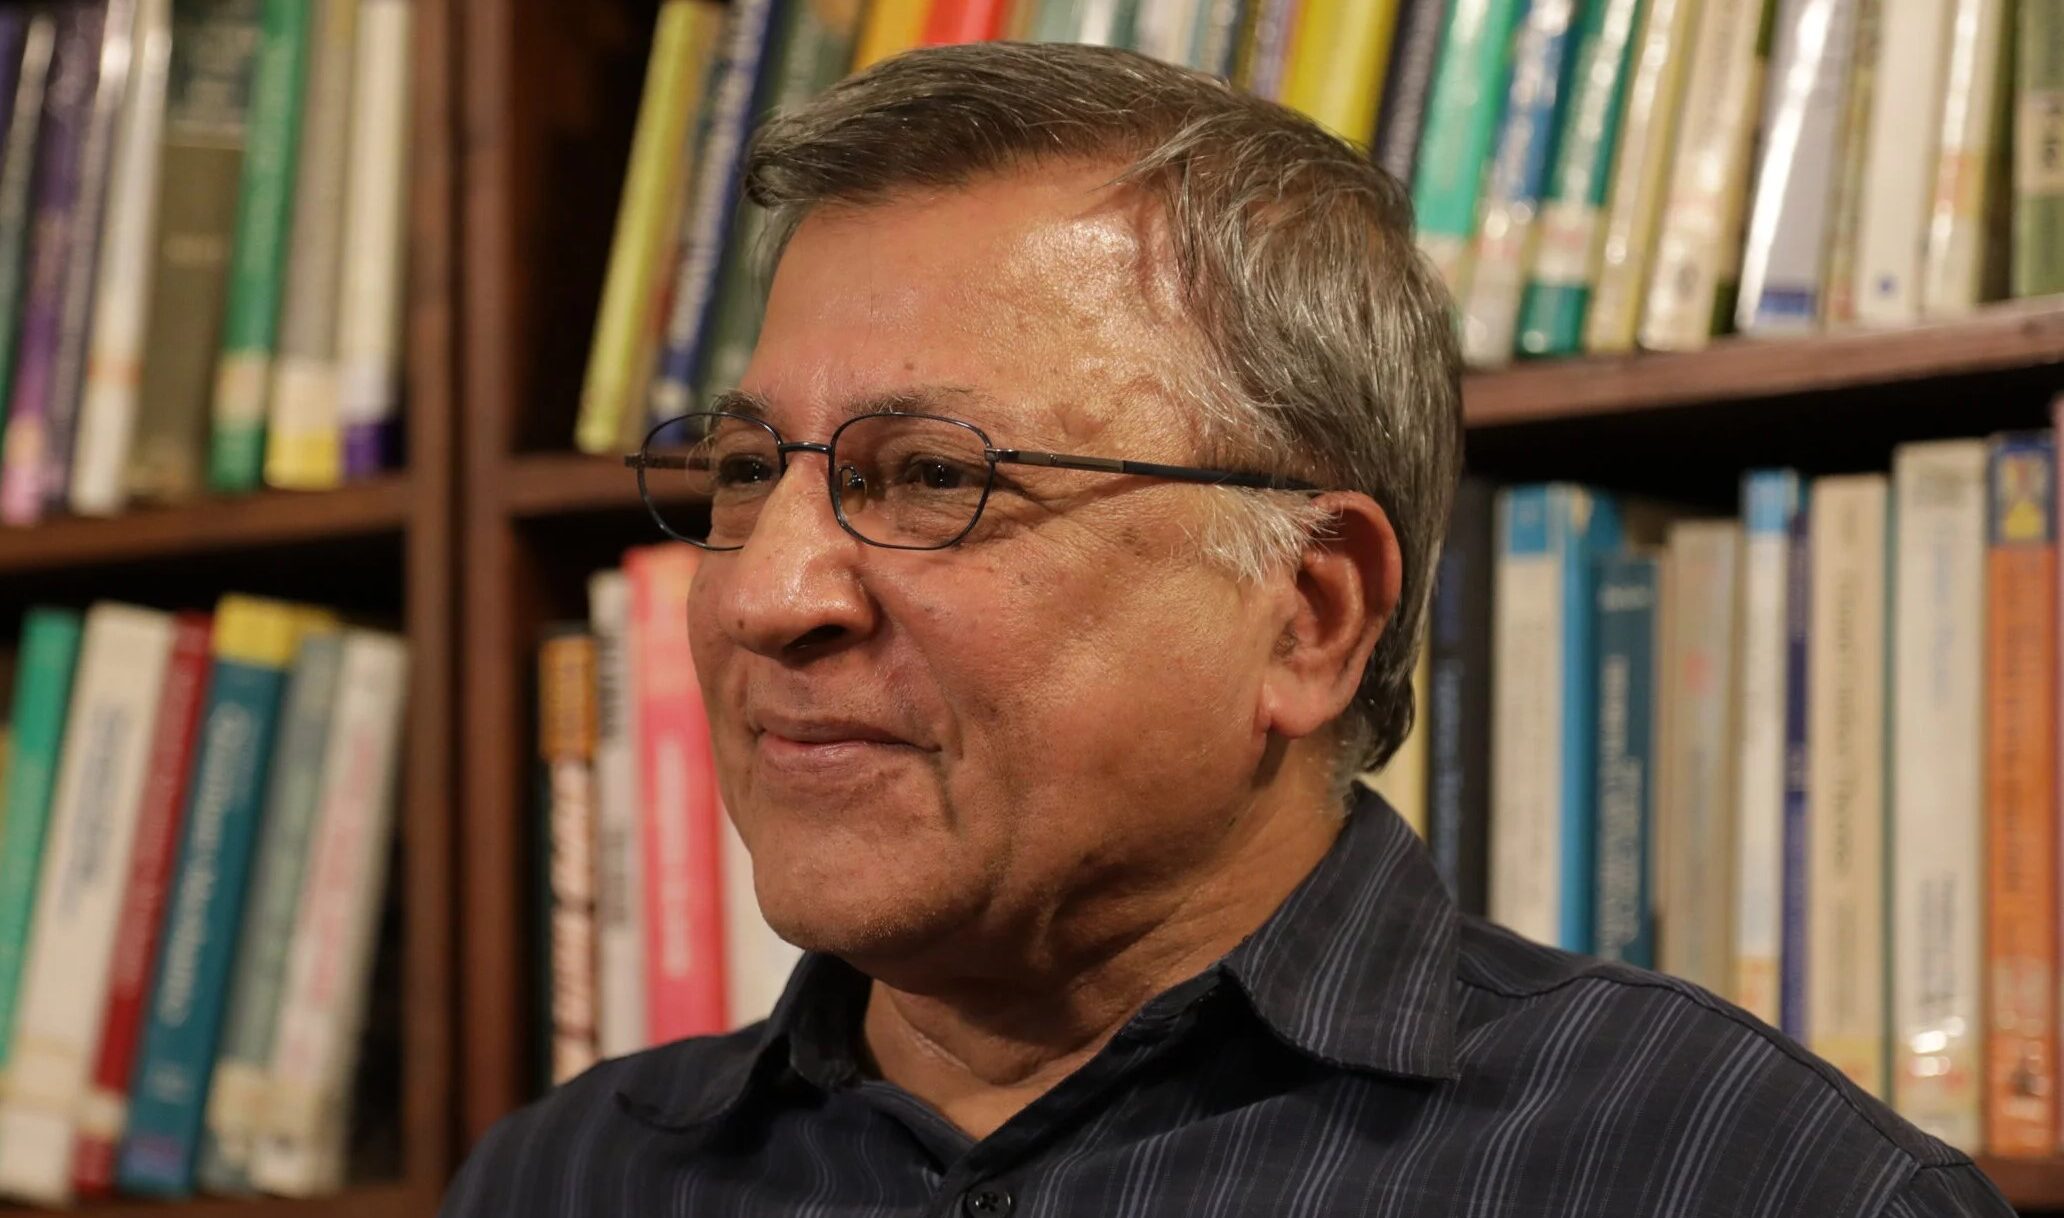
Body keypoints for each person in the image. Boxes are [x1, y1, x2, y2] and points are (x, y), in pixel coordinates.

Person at [442, 40, 2011, 1218]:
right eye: (742, 471)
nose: (768, 593)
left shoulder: (1746, 1181)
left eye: (929, 476)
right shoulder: (568, 1179)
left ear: (1310, 614)